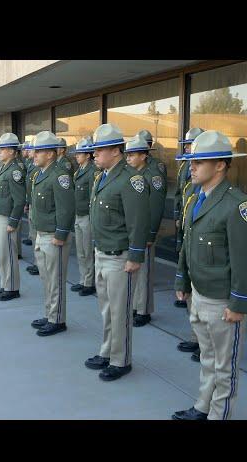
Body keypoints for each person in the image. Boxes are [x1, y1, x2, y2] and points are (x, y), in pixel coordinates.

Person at [173, 130, 247, 420]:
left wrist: (238, 304)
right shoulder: (195, 199)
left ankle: (219, 415)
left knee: (226, 366)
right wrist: (182, 281)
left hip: (223, 301)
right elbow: (187, 244)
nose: (191, 167)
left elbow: (245, 262)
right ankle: (202, 406)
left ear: (220, 165)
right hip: (200, 294)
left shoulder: (238, 205)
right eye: (191, 161)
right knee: (208, 358)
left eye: (198, 162)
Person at [83, 123, 150, 381]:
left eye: (99, 150)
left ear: (115, 150)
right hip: (103, 252)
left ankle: (121, 360)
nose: (95, 155)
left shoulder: (131, 179)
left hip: (119, 256)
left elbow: (138, 222)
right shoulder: (104, 176)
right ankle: (108, 350)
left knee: (120, 311)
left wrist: (135, 256)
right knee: (107, 309)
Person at [28, 131, 76, 336]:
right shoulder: (40, 174)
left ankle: (57, 320)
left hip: (54, 237)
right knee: (46, 278)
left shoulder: (59, 176)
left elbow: (66, 208)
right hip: (42, 233)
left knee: (55, 280)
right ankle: (49, 314)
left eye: (38, 152)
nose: (34, 155)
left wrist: (61, 234)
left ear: (50, 154)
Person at [125, 136, 167, 327]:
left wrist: (150, 234)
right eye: (128, 155)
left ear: (143, 156)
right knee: (135, 273)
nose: (128, 159)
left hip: (145, 232)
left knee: (144, 273)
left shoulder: (153, 176)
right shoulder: (131, 175)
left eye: (132, 155)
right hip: (133, 230)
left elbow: (156, 207)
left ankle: (144, 310)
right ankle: (135, 305)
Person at [173, 127, 205, 356]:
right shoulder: (186, 167)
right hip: (187, 227)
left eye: (191, 145)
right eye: (186, 145)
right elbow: (179, 195)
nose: (187, 149)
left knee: (202, 297)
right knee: (191, 294)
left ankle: (203, 342)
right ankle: (196, 336)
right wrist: (178, 217)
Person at [0, 133, 26, 301]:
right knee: (2, 253)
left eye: (3, 149)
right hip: (0, 216)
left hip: (7, 218)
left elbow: (19, 200)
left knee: (9, 254)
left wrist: (13, 221)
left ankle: (12, 287)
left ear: (12, 151)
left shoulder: (15, 171)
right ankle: (5, 283)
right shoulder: (5, 168)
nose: (0, 152)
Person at [70, 137, 97, 296]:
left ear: (88, 155)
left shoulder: (92, 171)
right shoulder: (79, 170)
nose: (76, 156)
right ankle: (83, 279)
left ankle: (89, 282)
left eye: (79, 153)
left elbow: (92, 198)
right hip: (78, 215)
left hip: (87, 216)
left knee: (87, 251)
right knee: (80, 250)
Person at [24, 138, 41, 275]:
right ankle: (37, 263)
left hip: (38, 207)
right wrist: (28, 201)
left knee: (37, 237)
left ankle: (38, 263)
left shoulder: (38, 167)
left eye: (31, 150)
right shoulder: (31, 165)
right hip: (32, 203)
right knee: (34, 236)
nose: (29, 153)